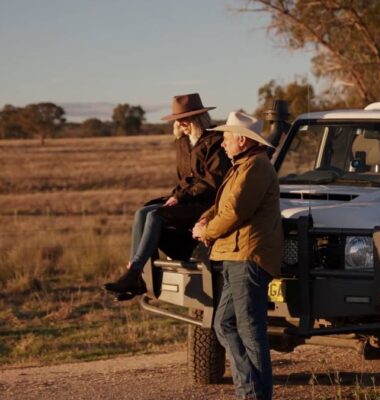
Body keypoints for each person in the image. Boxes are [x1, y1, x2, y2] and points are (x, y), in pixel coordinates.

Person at [193, 111, 283, 400]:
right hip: (236, 254)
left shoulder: (255, 166)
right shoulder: (243, 166)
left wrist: (206, 232)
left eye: (227, 138)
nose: (222, 144)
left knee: (248, 330)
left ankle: (254, 394)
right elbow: (222, 205)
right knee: (225, 323)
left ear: (242, 140)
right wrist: (205, 220)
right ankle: (251, 390)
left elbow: (234, 211)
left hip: (248, 256)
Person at [104, 93, 230, 297]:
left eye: (186, 118)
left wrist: (180, 197)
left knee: (156, 216)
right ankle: (137, 275)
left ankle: (134, 272)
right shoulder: (182, 142)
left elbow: (212, 181)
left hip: (207, 203)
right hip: (186, 199)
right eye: (178, 119)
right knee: (142, 213)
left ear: (199, 117)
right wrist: (176, 195)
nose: (181, 123)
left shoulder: (215, 141)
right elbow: (183, 179)